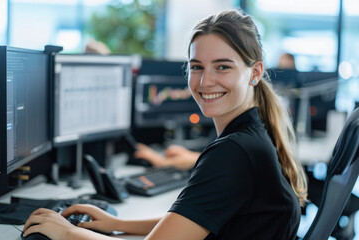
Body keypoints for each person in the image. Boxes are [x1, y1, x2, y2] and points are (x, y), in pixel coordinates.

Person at [23, 9, 307, 240]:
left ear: (254, 73)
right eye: (197, 67)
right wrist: (114, 224)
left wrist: (68, 234)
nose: (206, 81)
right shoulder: (252, 133)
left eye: (223, 66)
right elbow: (192, 220)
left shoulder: (235, 151)